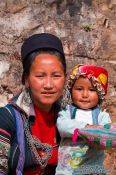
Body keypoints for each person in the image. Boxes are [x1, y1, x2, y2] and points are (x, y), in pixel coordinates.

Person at [0, 33, 67, 175]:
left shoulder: (68, 118)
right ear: (26, 79)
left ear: (65, 79)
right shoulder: (7, 118)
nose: (48, 85)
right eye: (40, 76)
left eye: (56, 76)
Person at [55, 64, 112, 175]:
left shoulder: (102, 116)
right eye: (79, 89)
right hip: (67, 171)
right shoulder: (67, 112)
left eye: (91, 90)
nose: (85, 95)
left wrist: (103, 139)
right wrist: (85, 129)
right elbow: (62, 126)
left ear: (100, 93)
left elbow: (107, 134)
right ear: (71, 90)